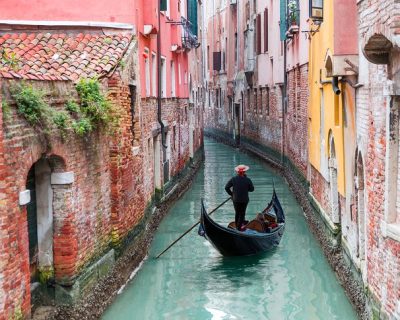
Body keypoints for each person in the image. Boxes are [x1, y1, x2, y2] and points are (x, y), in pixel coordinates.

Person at [225, 164, 254, 230]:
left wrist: (232, 194)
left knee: (237, 213)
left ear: (237, 172)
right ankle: (238, 228)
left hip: (236, 199)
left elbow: (226, 188)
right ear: (244, 172)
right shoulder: (247, 180)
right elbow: (252, 189)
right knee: (242, 213)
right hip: (244, 200)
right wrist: (246, 188)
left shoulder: (233, 179)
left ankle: (237, 226)